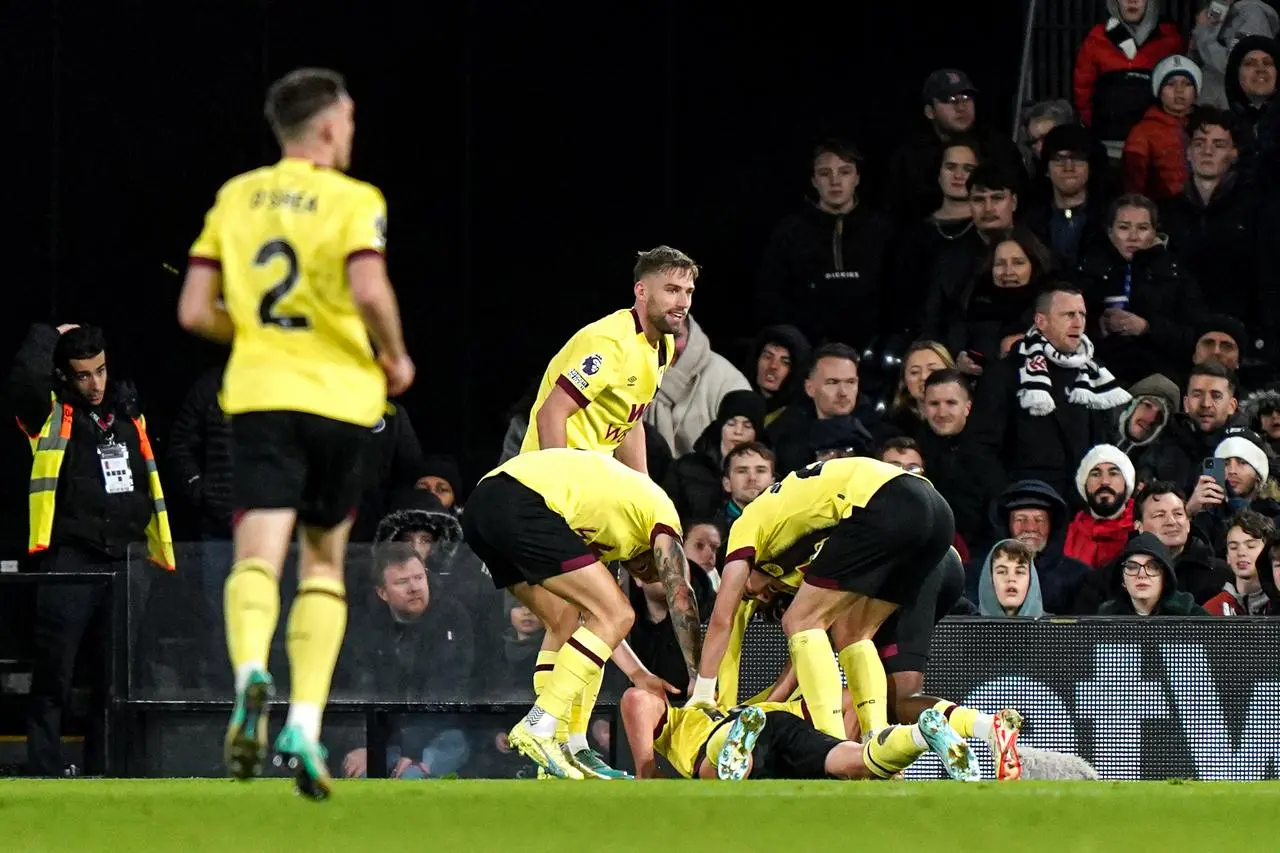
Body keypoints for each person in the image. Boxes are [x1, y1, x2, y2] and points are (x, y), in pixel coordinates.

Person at [177, 68, 415, 800]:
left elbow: (193, 310)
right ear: (327, 126)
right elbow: (369, 287)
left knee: (258, 556)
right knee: (322, 565)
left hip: (260, 396)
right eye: (347, 121)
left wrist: (252, 334)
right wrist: (395, 355)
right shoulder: (353, 200)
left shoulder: (236, 196)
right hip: (341, 401)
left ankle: (252, 674)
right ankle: (304, 725)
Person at [515, 244, 697, 779]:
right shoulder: (609, 341)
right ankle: (558, 741)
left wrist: (637, 492)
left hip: (597, 498)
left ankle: (570, 744)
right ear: (642, 291)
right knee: (569, 615)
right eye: (671, 289)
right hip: (556, 494)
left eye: (688, 291)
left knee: (586, 615)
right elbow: (555, 411)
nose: (681, 300)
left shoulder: (660, 348)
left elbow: (630, 421)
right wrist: (561, 489)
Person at [461, 448, 703, 780]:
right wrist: (700, 679)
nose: (647, 577)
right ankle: (539, 725)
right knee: (620, 613)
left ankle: (565, 748)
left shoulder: (613, 534)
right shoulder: (663, 517)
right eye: (652, 570)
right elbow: (680, 594)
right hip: (522, 500)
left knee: (568, 621)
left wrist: (639, 673)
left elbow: (598, 625)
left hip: (482, 507)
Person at [689, 458, 954, 753]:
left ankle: (832, 743)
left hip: (885, 502)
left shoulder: (744, 527)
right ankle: (876, 738)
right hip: (938, 513)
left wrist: (702, 693)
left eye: (748, 593)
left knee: (799, 622)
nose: (753, 596)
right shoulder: (797, 543)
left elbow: (722, 619)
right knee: (855, 633)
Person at [620, 690, 976, 782]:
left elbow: (635, 699)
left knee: (715, 772)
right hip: (781, 725)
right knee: (857, 763)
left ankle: (736, 747)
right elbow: (850, 697)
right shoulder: (766, 705)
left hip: (730, 734)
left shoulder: (684, 719)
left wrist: (646, 767)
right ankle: (918, 735)